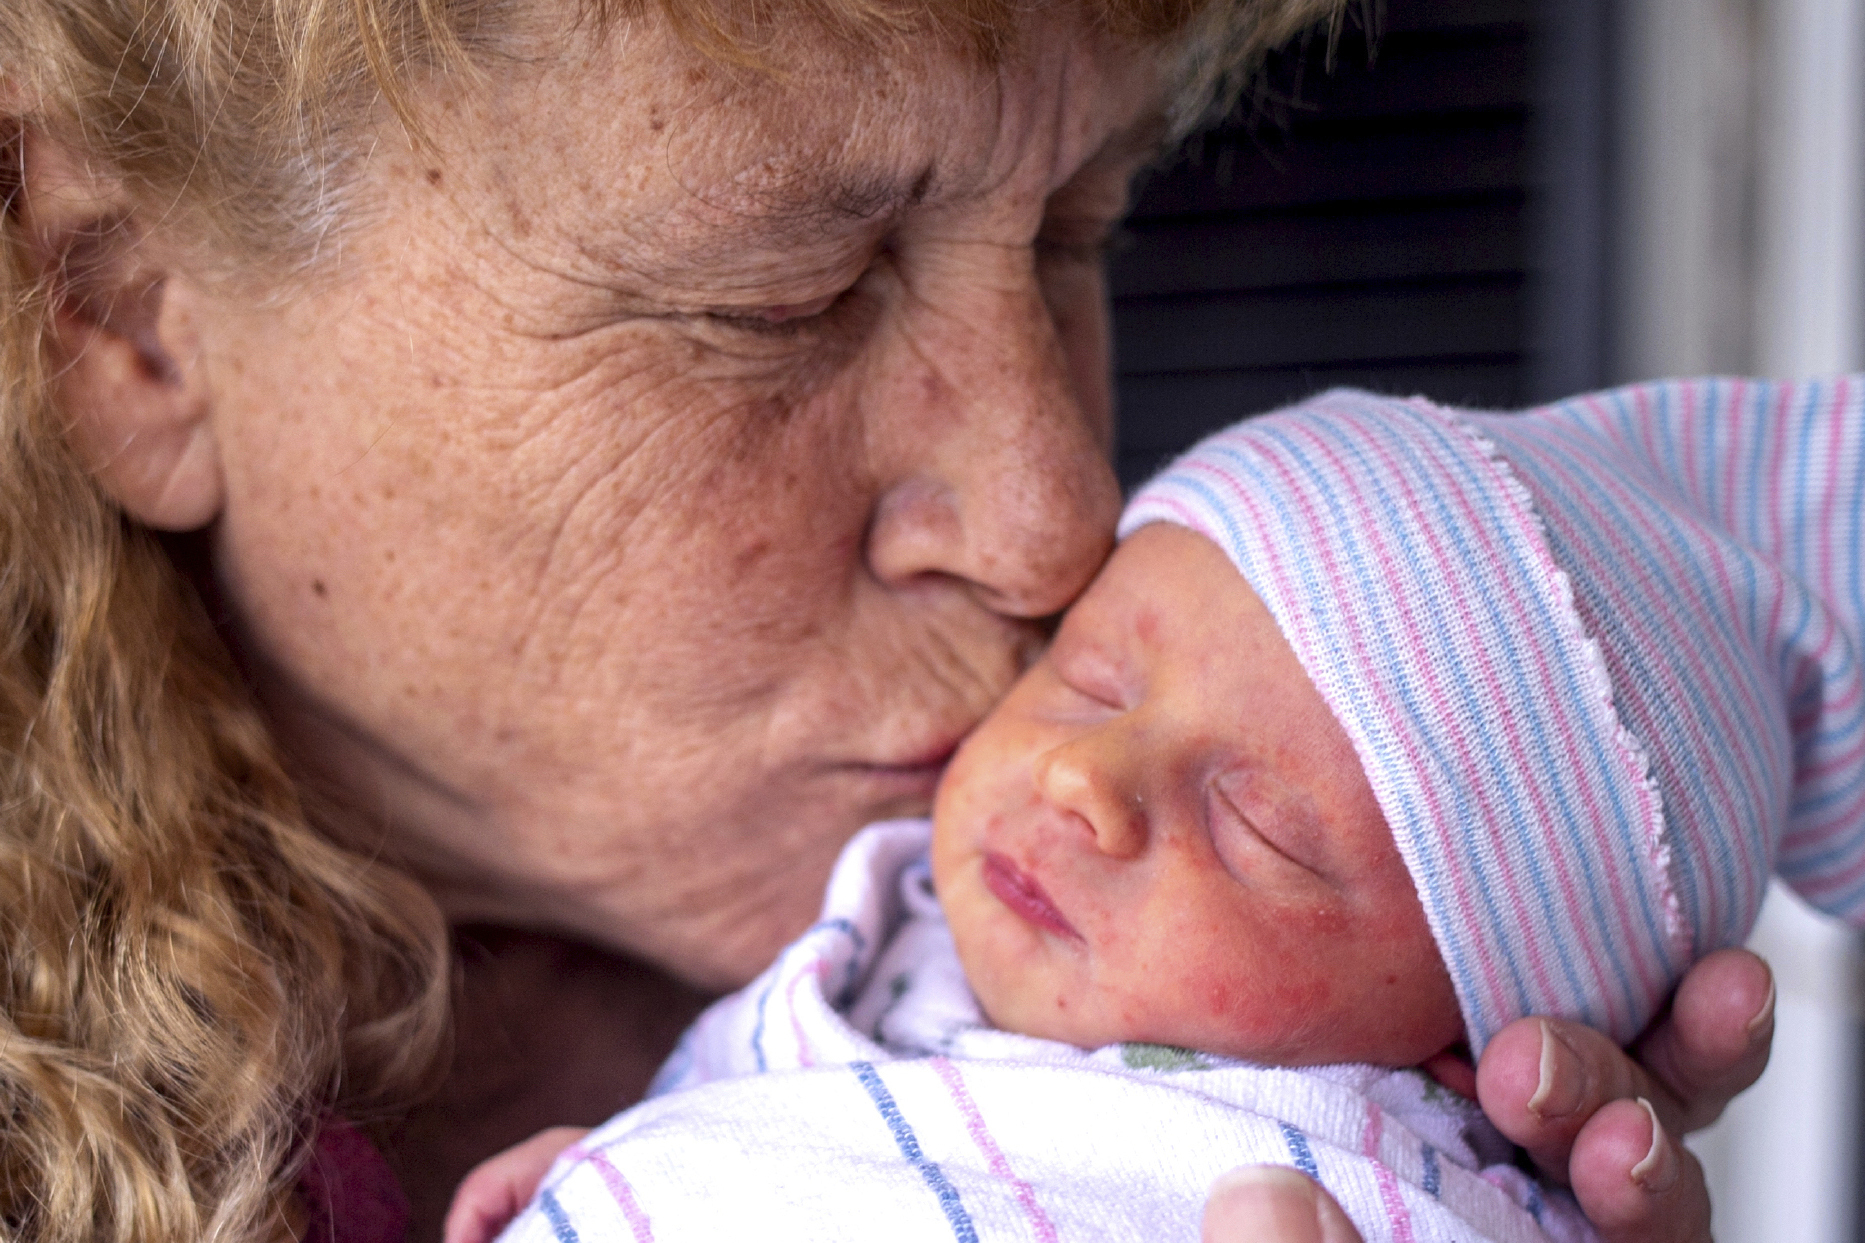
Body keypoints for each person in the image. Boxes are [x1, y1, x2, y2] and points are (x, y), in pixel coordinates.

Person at [0, 0, 1770, 1236]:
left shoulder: (1102, 1009)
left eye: (1082, 230)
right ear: (132, 322)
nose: (1054, 510)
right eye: (786, 300)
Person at [456, 376, 1849, 1243]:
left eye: (1257, 830)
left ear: (1458, 1039)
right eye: (1088, 677)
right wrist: (640, 1171)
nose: (1082, 779)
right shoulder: (881, 932)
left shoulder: (1368, 1186)